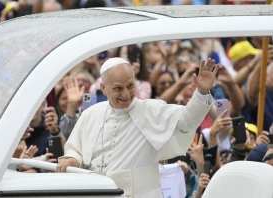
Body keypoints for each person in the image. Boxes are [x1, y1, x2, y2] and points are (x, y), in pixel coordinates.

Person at [57, 57, 218, 198]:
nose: (126, 94)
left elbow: (187, 121)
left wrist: (202, 92)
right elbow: (75, 149)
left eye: (130, 86)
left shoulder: (151, 110)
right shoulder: (90, 114)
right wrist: (73, 159)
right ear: (104, 88)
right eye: (118, 88)